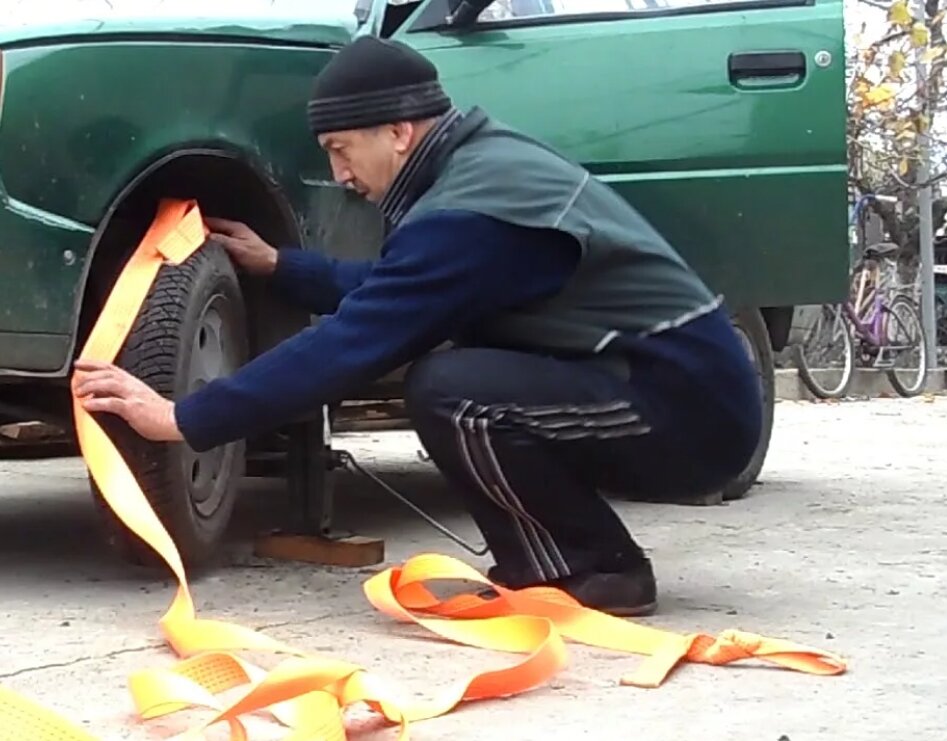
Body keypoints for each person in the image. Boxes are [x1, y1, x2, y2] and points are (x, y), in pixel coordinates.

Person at [73, 36, 762, 617]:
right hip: (665, 388)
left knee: (453, 391)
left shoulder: (470, 212)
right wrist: (281, 264)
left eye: (341, 149)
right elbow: (402, 288)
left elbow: (353, 343)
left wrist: (184, 417)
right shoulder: (480, 167)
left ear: (398, 133)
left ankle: (595, 569)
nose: (340, 174)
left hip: (690, 414)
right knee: (457, 379)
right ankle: (553, 564)